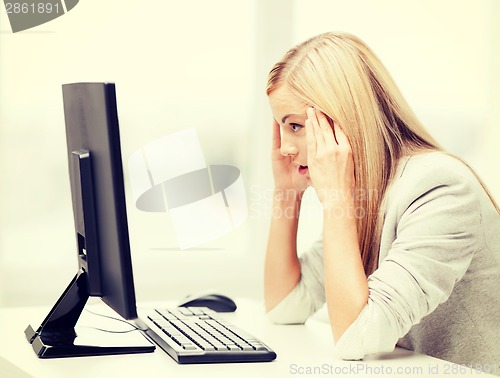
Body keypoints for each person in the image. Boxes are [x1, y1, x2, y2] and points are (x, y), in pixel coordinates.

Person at [264, 31, 500, 370]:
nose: (285, 146)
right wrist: (286, 193)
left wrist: (336, 202)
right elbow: (284, 306)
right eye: (281, 127)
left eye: (297, 126)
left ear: (342, 118)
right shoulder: (370, 188)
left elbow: (355, 336)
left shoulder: (440, 187)